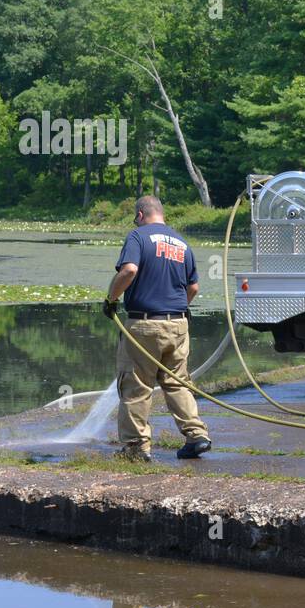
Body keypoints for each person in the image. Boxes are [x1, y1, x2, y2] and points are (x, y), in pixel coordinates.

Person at [103, 195, 212, 462]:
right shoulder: (183, 243)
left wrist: (111, 299)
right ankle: (196, 436)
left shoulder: (138, 237)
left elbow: (128, 270)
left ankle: (136, 448)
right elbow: (194, 287)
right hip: (178, 324)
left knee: (136, 386)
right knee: (177, 383)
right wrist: (175, 310)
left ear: (140, 215)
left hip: (144, 325)